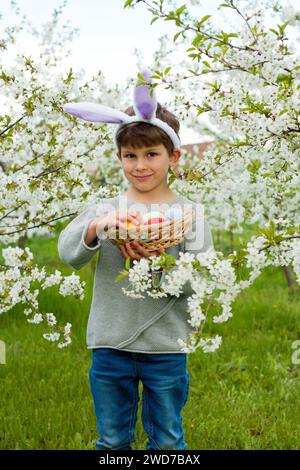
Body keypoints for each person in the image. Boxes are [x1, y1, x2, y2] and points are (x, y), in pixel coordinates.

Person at [58, 69, 214, 450]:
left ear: (173, 157)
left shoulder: (188, 213)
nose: (140, 165)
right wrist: (98, 226)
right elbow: (68, 252)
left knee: (166, 440)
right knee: (112, 441)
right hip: (110, 342)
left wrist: (162, 259)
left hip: (165, 346)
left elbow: (203, 281)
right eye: (130, 155)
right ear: (119, 157)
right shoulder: (108, 208)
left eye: (151, 154)